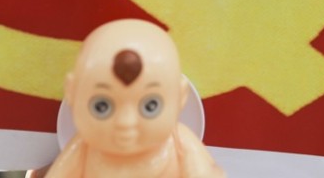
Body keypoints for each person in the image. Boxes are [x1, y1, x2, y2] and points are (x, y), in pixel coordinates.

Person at [45, 19, 225, 178]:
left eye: (150, 106)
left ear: (181, 97)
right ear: (73, 94)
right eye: (101, 106)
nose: (125, 122)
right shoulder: (83, 149)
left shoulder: (179, 142)